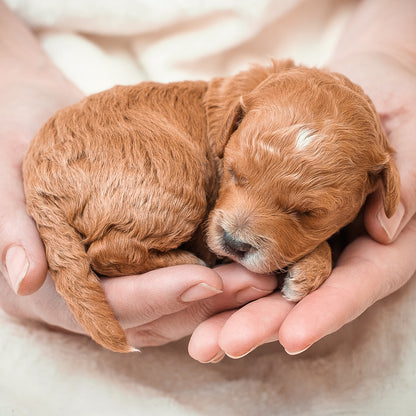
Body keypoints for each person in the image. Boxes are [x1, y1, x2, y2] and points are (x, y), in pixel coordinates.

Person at [1, 0, 415, 364]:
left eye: (305, 211)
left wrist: (396, 51)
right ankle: (119, 251)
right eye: (237, 175)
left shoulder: (343, 161)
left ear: (380, 187)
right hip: (63, 80)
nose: (238, 233)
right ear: (232, 125)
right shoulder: (226, 122)